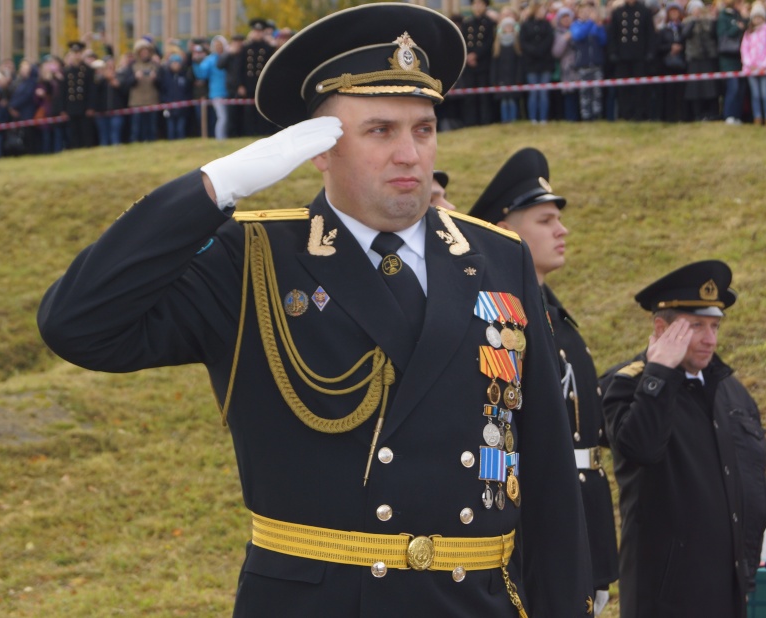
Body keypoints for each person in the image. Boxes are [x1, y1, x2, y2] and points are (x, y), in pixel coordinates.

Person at [37, 4, 594, 616]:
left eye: (423, 129)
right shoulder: (254, 257)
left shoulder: (496, 256)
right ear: (319, 150)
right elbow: (78, 324)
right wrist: (214, 188)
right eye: (380, 131)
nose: (410, 154)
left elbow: (547, 470)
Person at [469, 148, 620, 616]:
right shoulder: (497, 322)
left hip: (575, 524)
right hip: (528, 530)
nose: (562, 230)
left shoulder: (555, 316)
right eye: (546, 220)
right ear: (506, 230)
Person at [601, 260, 766, 618]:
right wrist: (659, 373)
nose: (711, 339)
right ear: (661, 329)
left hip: (728, 585)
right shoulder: (628, 386)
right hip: (666, 595)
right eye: (696, 326)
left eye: (715, 326)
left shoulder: (729, 390)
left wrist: (745, 564)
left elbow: (749, 480)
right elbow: (641, 449)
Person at [741, 2, 766, 125]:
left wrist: (764, 65)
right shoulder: (748, 33)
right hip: (751, 69)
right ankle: (757, 117)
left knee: (765, 94)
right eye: (755, 17)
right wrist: (749, 64)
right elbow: (744, 49)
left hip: (765, 69)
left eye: (759, 17)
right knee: (755, 95)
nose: (757, 19)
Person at [462, 0, 496, 126]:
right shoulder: (467, 23)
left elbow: (489, 42)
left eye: (480, 4)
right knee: (470, 96)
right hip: (469, 64)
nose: (477, 7)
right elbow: (463, 41)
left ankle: (485, 121)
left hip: (483, 63)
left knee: (484, 95)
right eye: (475, 4)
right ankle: (471, 122)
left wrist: (476, 55)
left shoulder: (489, 23)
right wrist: (468, 56)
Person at [520, 2, 555, 124]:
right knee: (533, 92)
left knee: (544, 93)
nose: (543, 12)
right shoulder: (525, 25)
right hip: (531, 63)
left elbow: (550, 39)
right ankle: (533, 119)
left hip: (545, 63)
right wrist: (533, 51)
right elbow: (523, 42)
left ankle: (543, 118)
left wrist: (540, 50)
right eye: (541, 10)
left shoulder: (547, 25)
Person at [60, 41, 96, 149]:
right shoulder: (67, 71)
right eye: (74, 53)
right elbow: (63, 92)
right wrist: (63, 109)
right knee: (73, 133)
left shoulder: (88, 70)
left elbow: (91, 90)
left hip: (84, 106)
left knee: (86, 132)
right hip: (71, 107)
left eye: (78, 53)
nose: (76, 55)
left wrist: (91, 107)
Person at [717, 0, 748, 124]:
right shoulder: (723, 16)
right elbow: (724, 35)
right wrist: (737, 27)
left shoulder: (739, 15)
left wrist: (744, 18)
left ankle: (737, 116)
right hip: (728, 60)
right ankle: (729, 115)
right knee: (733, 88)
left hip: (741, 59)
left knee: (741, 89)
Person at [491, 16, 522, 123]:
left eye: (510, 26)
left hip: (513, 77)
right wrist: (494, 79)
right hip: (501, 77)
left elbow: (519, 63)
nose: (508, 28)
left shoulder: (516, 43)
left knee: (512, 100)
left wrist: (518, 78)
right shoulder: (497, 44)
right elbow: (494, 64)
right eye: (506, 26)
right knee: (504, 101)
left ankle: (513, 120)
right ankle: (505, 121)